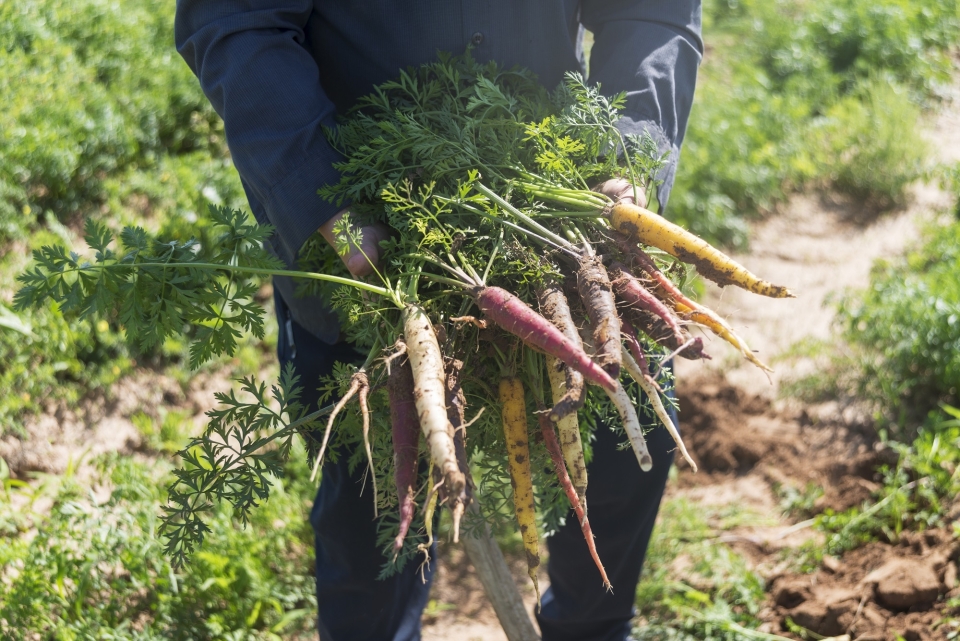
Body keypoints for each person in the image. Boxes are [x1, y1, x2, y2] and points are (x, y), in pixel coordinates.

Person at [175, 3, 702, 640]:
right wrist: (327, 203)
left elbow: (652, 11)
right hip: (361, 243)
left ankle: (591, 627)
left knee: (624, 439)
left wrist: (632, 148)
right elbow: (238, 24)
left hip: (562, 223)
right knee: (379, 524)